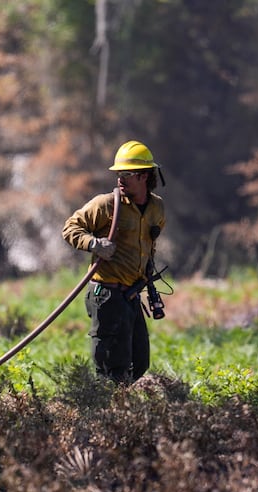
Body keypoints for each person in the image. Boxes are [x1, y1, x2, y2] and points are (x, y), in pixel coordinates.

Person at [62, 140, 165, 384]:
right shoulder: (106, 204)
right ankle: (108, 414)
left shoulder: (157, 208)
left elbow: (149, 247)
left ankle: (124, 411)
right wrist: (94, 244)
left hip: (131, 295)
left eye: (127, 174)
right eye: (119, 173)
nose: (120, 179)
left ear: (144, 177)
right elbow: (70, 228)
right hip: (106, 294)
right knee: (111, 368)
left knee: (139, 362)